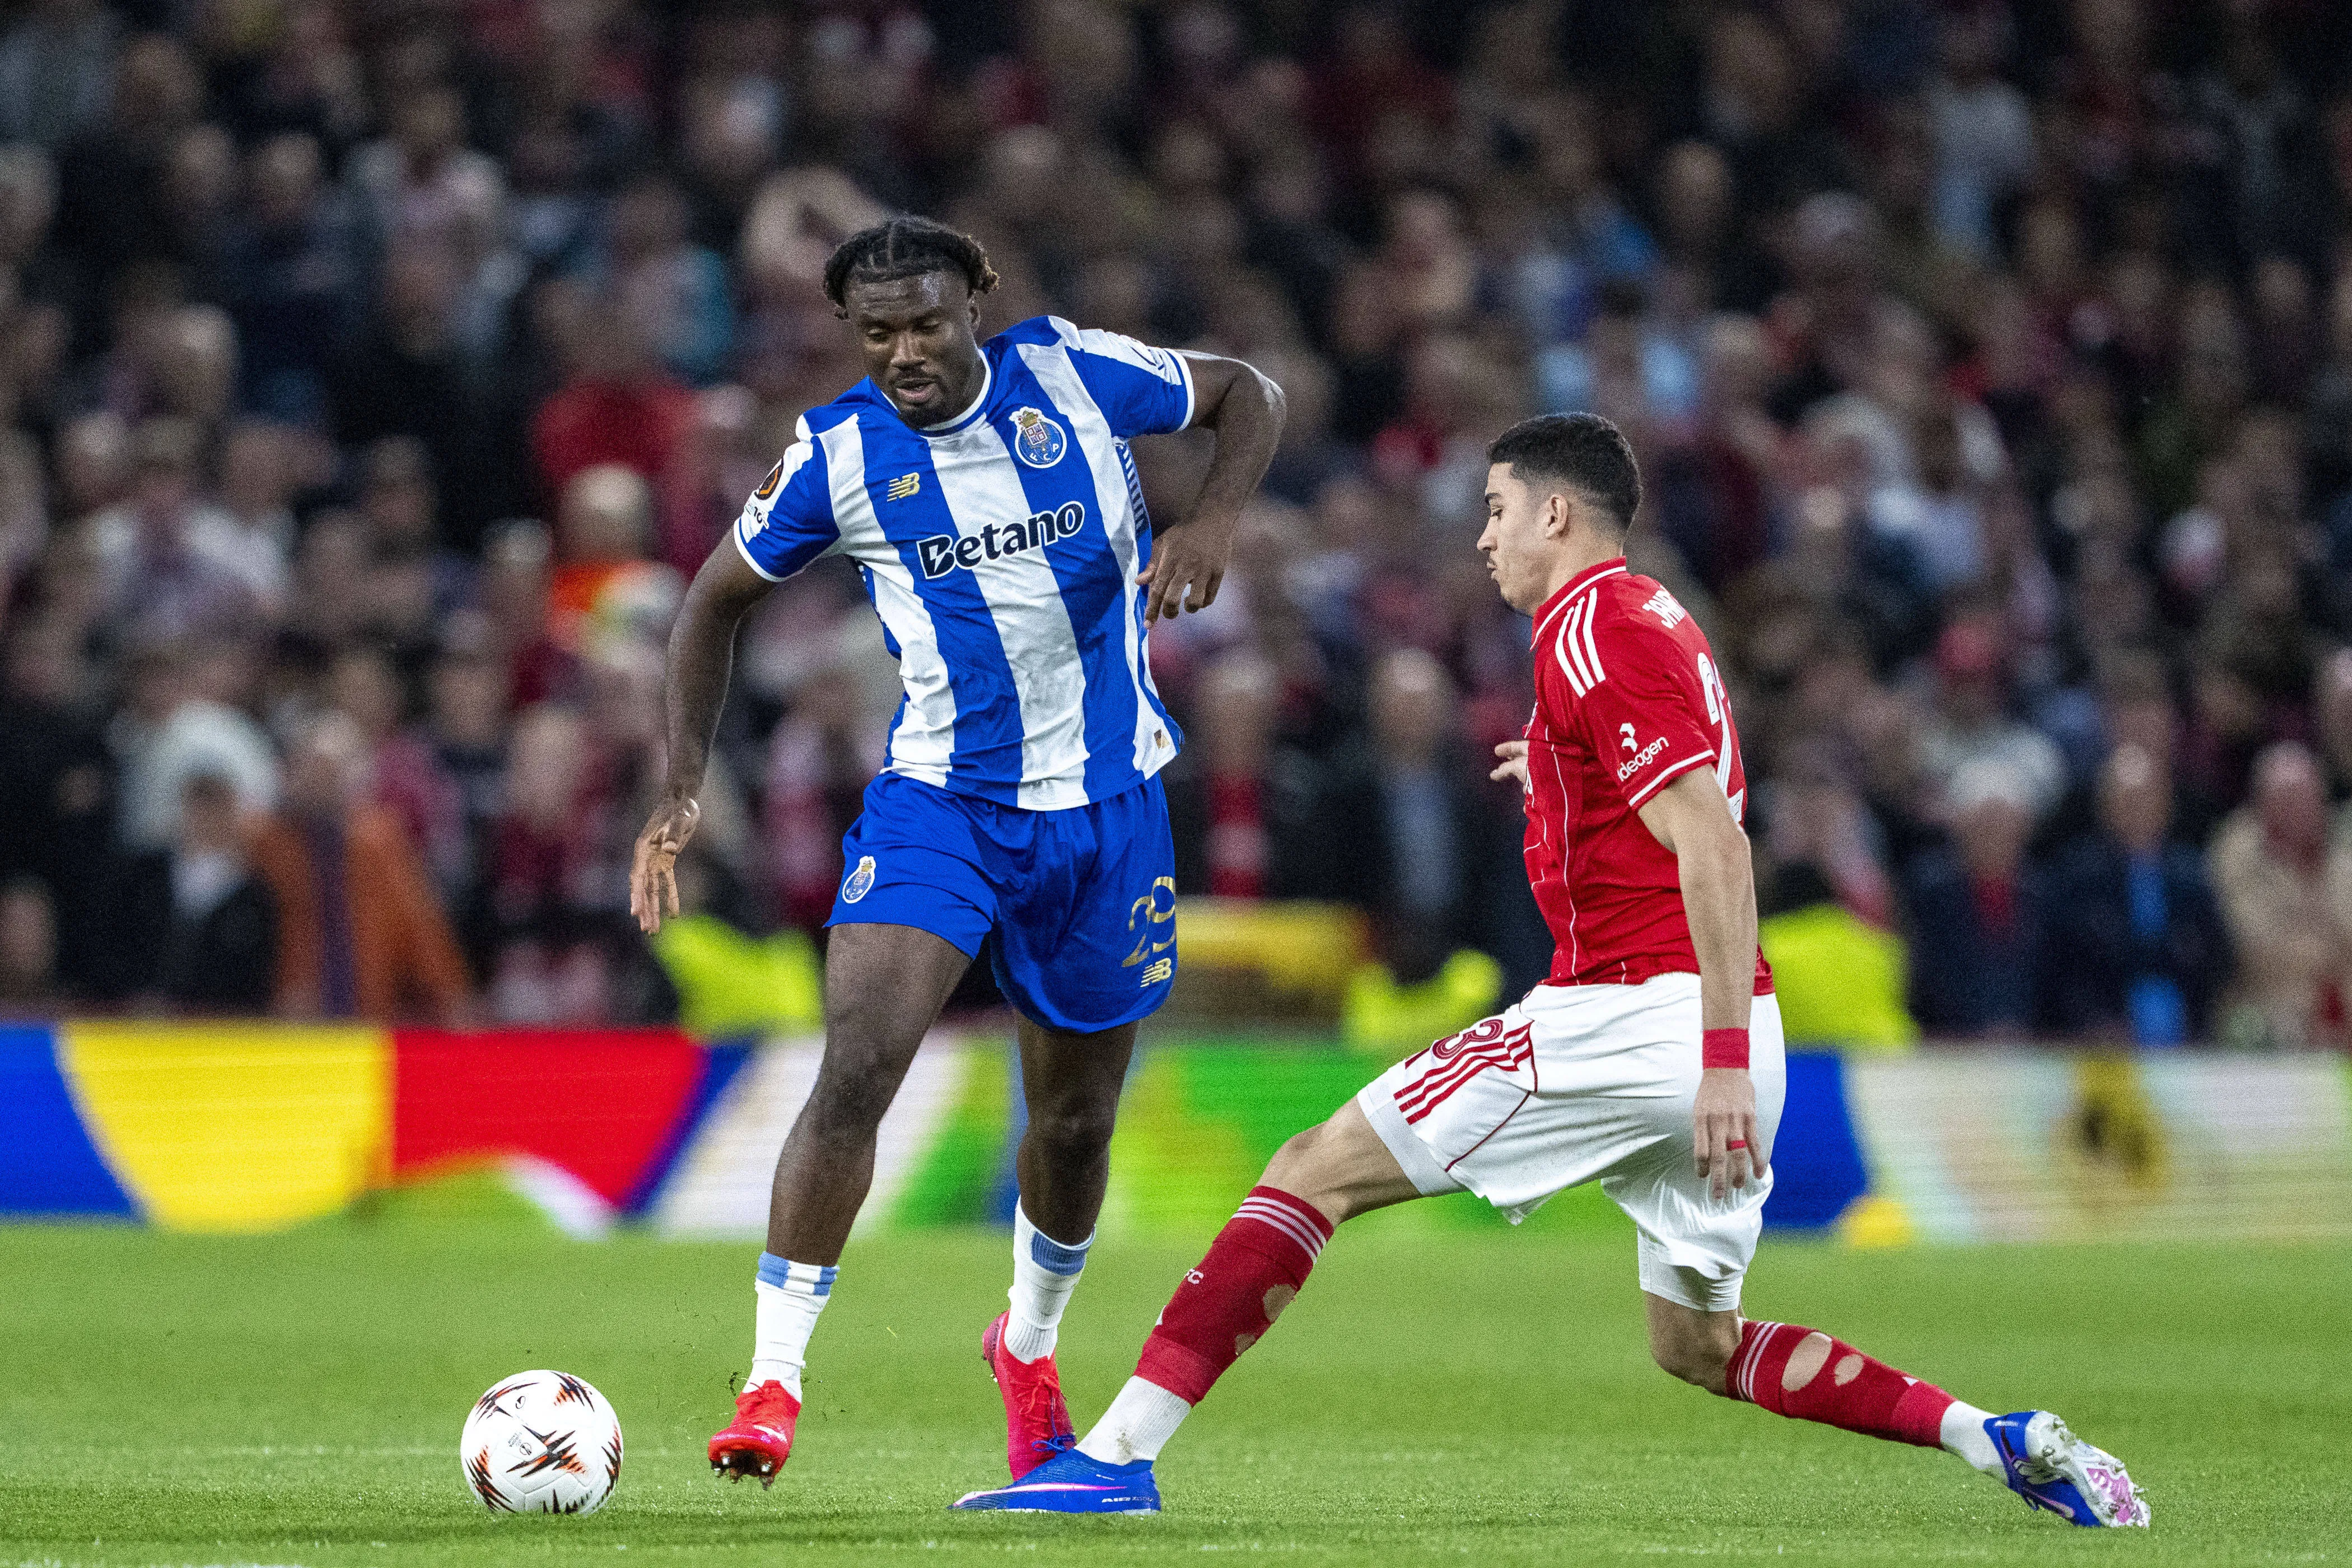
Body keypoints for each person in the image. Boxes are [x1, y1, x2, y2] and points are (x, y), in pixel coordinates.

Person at [950, 414, 2146, 1528]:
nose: (1481, 534)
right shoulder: (1653, 618)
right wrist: (1566, 778)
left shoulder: (1594, 628)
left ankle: (1111, 1457)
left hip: (1639, 1018)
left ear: (1559, 518)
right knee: (1698, 1342)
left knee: (1311, 1170)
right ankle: (1993, 1438)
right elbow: (1684, 791)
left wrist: (1715, 1063)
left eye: (1496, 508)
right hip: (1722, 1029)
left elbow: (1720, 845)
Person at [626, 215, 1284, 1489]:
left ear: (977, 299)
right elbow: (715, 597)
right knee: (862, 1056)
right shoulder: (839, 454)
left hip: (1107, 804)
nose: (907, 353)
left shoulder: (1077, 376)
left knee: (1078, 1122)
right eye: (878, 334)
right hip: (942, 803)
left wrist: (1209, 524)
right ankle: (772, 1380)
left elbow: (1248, 393)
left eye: (927, 323)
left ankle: (1026, 1348)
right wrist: (683, 781)